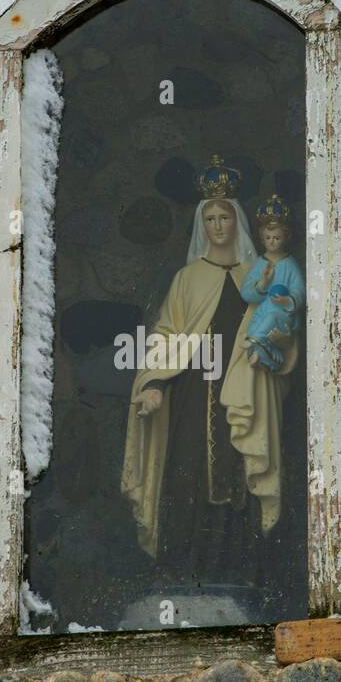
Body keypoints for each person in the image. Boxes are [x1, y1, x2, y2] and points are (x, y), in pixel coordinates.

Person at [120, 156, 297, 584]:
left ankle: (239, 572)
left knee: (241, 474)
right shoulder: (187, 279)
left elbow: (280, 324)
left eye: (225, 217)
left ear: (238, 222)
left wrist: (268, 349)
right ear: (203, 224)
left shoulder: (257, 276)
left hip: (244, 391)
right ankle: (184, 570)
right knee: (188, 476)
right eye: (211, 218)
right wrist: (156, 382)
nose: (219, 225)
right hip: (193, 393)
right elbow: (166, 334)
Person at [241, 197, 305, 371]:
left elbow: (300, 291)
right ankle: (266, 358)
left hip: (283, 315)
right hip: (263, 310)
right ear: (262, 239)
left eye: (277, 238)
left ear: (286, 238)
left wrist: (288, 301)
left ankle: (258, 346)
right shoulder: (260, 263)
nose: (272, 241)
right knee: (255, 327)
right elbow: (246, 293)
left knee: (268, 322)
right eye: (268, 237)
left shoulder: (290, 264)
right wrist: (262, 283)